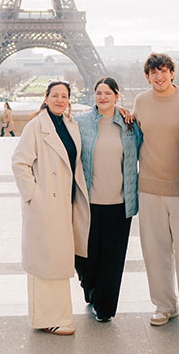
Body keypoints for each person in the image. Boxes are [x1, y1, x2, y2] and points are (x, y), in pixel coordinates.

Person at [132, 53, 179, 330]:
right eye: (153, 72)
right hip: (149, 189)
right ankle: (164, 306)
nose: (159, 77)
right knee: (155, 252)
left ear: (172, 73)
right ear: (147, 76)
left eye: (163, 71)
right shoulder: (140, 102)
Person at [11, 80, 90, 335]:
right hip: (46, 205)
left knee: (57, 262)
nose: (59, 100)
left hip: (65, 204)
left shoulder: (69, 124)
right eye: (55, 95)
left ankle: (56, 316)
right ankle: (50, 318)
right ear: (45, 98)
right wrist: (35, 196)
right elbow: (19, 163)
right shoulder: (35, 126)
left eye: (64, 96)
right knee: (46, 263)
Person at [74, 77, 142, 323]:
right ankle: (90, 287)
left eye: (108, 93)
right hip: (88, 202)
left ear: (116, 96)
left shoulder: (129, 125)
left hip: (120, 203)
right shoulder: (80, 122)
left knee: (113, 259)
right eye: (98, 93)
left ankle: (105, 307)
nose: (103, 97)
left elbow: (145, 149)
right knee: (85, 257)